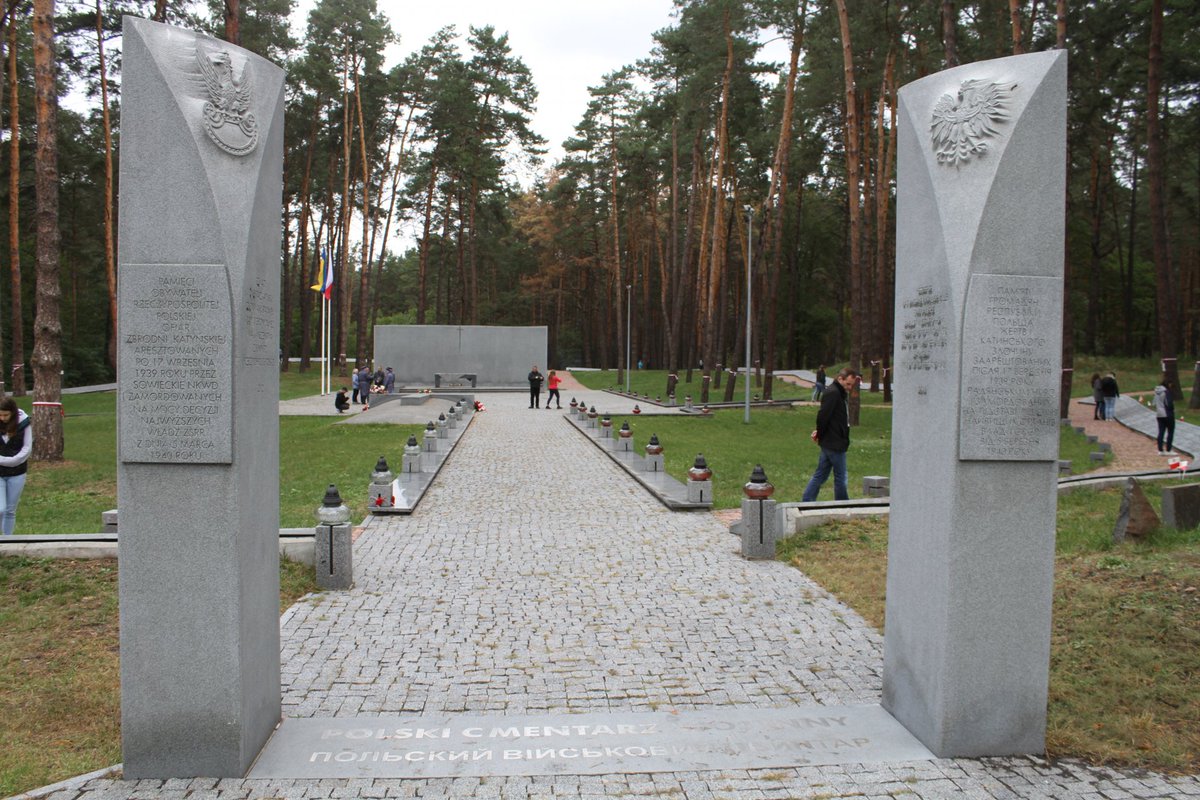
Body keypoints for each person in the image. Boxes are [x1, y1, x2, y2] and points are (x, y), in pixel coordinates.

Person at [801, 368, 859, 502]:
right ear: (840, 379)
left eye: (852, 385)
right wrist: (819, 433)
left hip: (832, 441)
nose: (850, 387)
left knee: (820, 475)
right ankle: (842, 503)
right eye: (848, 384)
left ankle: (807, 500)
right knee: (841, 476)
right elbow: (823, 416)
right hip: (834, 442)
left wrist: (820, 433)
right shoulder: (833, 393)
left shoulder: (839, 393)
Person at [0, 397, 32, 535]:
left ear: (12, 413)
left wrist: (11, 461)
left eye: (6, 415)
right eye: (0, 415)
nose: (2, 418)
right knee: (1, 508)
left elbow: (27, 448)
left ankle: (8, 540)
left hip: (17, 472)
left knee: (10, 510)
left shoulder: (24, 423)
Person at [1154, 375, 1177, 455]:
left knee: (1161, 432)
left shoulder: (1157, 391)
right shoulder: (1166, 392)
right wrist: (1173, 409)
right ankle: (1168, 449)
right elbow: (1169, 404)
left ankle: (1160, 450)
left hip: (1159, 414)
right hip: (1167, 414)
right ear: (1168, 384)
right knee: (1170, 431)